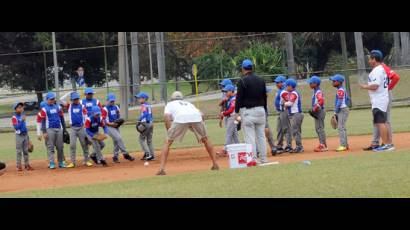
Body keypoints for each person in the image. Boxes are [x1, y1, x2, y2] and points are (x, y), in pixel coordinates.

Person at [156, 91, 219, 176]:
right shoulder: (188, 104)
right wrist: (201, 132)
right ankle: (215, 164)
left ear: (172, 99)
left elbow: (167, 117)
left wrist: (169, 132)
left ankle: (161, 169)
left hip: (180, 118)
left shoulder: (170, 104)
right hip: (196, 117)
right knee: (206, 139)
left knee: (167, 142)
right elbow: (202, 115)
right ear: (182, 98)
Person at [363, 50, 400, 151]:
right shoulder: (380, 68)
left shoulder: (382, 67)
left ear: (375, 58)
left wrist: (389, 88)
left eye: (371, 57)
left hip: (382, 95)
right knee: (378, 120)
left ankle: (387, 143)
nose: (369, 60)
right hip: (381, 94)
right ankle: (376, 142)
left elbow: (396, 77)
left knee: (383, 120)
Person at [234, 59, 268, 164]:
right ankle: (264, 159)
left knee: (250, 137)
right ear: (252, 68)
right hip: (261, 110)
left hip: (248, 112)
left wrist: (236, 112)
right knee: (261, 136)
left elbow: (239, 97)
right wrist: (265, 110)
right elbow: (264, 96)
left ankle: (252, 160)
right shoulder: (261, 80)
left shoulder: (242, 80)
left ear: (243, 68)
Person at [59, 91, 93, 168]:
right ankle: (72, 162)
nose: (76, 100)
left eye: (77, 99)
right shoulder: (69, 106)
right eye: (74, 99)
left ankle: (87, 160)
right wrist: (69, 93)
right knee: (72, 145)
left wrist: (85, 126)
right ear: (71, 99)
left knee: (84, 145)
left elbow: (86, 116)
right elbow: (61, 99)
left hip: (81, 128)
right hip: (73, 129)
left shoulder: (82, 106)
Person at [103, 93, 135, 163]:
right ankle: (125, 154)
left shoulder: (116, 107)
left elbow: (118, 116)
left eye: (113, 101)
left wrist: (118, 121)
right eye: (111, 101)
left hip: (115, 126)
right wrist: (112, 124)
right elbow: (105, 121)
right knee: (119, 138)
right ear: (107, 100)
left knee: (116, 141)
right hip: (109, 127)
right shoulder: (105, 109)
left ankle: (115, 157)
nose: (112, 102)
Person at [40, 92, 67, 169]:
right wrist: (44, 132)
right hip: (49, 129)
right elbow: (43, 121)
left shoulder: (58, 107)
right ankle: (52, 162)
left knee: (60, 147)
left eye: (53, 99)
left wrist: (64, 129)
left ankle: (61, 162)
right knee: (50, 147)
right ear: (47, 100)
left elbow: (62, 118)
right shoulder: (44, 109)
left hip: (59, 128)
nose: (52, 100)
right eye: (50, 99)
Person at [282, 78, 304, 153]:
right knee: (296, 130)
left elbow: (290, 103)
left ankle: (299, 147)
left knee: (295, 130)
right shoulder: (292, 93)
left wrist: (284, 104)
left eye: (287, 86)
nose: (286, 87)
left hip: (296, 114)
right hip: (295, 114)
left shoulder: (294, 93)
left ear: (291, 86)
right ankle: (299, 146)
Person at [217, 84, 239, 156]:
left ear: (231, 91)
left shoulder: (234, 98)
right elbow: (221, 105)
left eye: (226, 91)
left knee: (229, 134)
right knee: (234, 135)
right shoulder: (230, 98)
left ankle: (225, 150)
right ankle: (239, 149)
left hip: (232, 117)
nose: (225, 93)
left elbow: (232, 109)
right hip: (232, 117)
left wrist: (224, 113)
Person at [330, 74, 350, 152]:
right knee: (342, 127)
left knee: (341, 127)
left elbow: (340, 101)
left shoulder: (340, 90)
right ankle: (345, 145)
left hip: (342, 110)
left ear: (339, 82)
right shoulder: (342, 89)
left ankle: (343, 145)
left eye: (334, 81)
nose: (333, 82)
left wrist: (335, 111)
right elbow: (348, 98)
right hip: (343, 109)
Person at [308, 76, 328, 152]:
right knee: (318, 128)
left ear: (315, 84)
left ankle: (323, 145)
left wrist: (315, 108)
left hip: (319, 111)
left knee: (320, 128)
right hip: (317, 111)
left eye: (311, 83)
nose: (309, 84)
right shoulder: (315, 91)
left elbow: (321, 101)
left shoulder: (318, 92)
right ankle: (321, 144)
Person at [12, 102, 33, 171]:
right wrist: (22, 121)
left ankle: (27, 165)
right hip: (19, 136)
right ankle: (18, 166)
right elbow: (16, 127)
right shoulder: (14, 117)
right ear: (15, 109)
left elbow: (25, 127)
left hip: (25, 135)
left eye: (21, 107)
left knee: (26, 151)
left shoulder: (23, 115)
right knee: (19, 151)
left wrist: (28, 138)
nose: (21, 108)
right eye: (19, 107)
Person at [274, 75, 292, 153]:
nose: (276, 84)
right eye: (276, 82)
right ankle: (279, 145)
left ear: (283, 83)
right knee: (279, 129)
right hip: (280, 112)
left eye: (278, 82)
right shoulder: (280, 90)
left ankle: (288, 145)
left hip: (284, 111)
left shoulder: (284, 91)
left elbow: (288, 100)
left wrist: (284, 106)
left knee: (286, 128)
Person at [135, 92, 155, 161]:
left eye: (139, 98)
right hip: (151, 123)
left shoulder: (143, 105)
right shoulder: (149, 105)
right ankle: (152, 155)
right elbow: (151, 115)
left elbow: (145, 114)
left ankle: (148, 154)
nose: (138, 99)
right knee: (149, 140)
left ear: (144, 99)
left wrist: (139, 119)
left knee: (141, 139)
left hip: (145, 124)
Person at [264, 86, 277, 156]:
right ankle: (257, 150)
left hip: (263, 115)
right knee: (266, 131)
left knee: (267, 131)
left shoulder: (264, 98)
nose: (268, 94)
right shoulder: (261, 99)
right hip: (261, 116)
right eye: (266, 92)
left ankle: (273, 148)